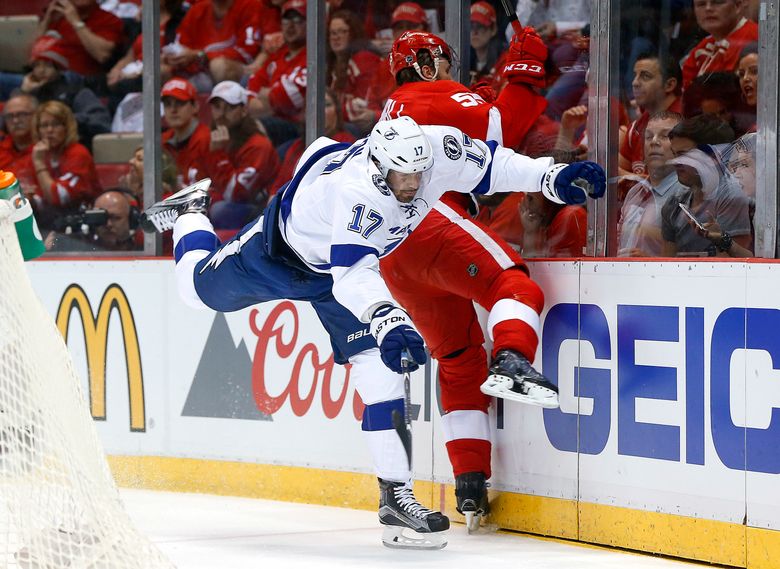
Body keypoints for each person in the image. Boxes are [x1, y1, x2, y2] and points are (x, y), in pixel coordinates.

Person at [138, 116, 604, 549]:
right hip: (281, 257)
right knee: (195, 291)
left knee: (381, 375)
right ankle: (191, 213)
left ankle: (396, 500)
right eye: (402, 178)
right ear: (379, 167)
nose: (413, 186)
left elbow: (492, 165)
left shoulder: (432, 149)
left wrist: (549, 178)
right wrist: (390, 319)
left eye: (420, 175)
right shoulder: (359, 191)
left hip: (338, 267)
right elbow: (353, 274)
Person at [379, 30, 600, 526]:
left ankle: (471, 484)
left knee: (458, 359)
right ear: (416, 63)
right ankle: (515, 359)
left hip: (393, 253)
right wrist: (525, 66)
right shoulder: (420, 94)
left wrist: (481, 95)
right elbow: (502, 128)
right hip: (430, 222)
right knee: (515, 285)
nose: (444, 66)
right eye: (435, 58)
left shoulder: (399, 107)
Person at [205, 81, 279, 229]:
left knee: (220, 210)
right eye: (217, 107)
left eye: (230, 107)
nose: (221, 114)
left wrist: (219, 154)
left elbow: (236, 195)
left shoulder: (258, 145)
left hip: (262, 210)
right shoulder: (212, 137)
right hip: (234, 203)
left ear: (244, 110)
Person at [16, 100, 100, 230]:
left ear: (67, 127)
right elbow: (40, 199)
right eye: (44, 126)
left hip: (81, 224)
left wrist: (39, 164)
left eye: (56, 124)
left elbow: (59, 198)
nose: (49, 130)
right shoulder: (38, 153)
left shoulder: (78, 153)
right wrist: (30, 199)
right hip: (49, 224)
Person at [19, 37, 111, 148]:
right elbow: (8, 123)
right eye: (37, 65)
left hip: (71, 148)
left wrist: (64, 120)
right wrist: (23, 93)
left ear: (59, 68)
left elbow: (100, 121)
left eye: (47, 65)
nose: (41, 70)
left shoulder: (75, 90)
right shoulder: (27, 92)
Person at [617, 111, 685, 257]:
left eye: (665, 135)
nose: (654, 141)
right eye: (648, 136)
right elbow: (618, 243)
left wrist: (651, 262)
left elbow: (697, 258)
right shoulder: (634, 192)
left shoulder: (687, 196)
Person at [246, 0, 308, 146]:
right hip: (274, 120)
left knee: (254, 126)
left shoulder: (312, 56)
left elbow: (286, 101)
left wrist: (267, 95)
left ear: (310, 24)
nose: (291, 26)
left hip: (297, 127)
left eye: (298, 20)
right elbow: (251, 89)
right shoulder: (278, 55)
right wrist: (270, 97)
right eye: (286, 20)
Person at [164, 0, 262, 88]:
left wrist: (200, 55)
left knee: (218, 66)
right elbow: (181, 46)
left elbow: (247, 53)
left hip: (241, 72)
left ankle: (226, 106)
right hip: (198, 71)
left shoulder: (249, 5)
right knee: (159, 70)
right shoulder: (198, 9)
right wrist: (175, 58)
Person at [619, 52, 683, 177]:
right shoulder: (636, 128)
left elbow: (668, 185)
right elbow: (615, 170)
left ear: (669, 85)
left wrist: (625, 176)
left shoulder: (687, 125)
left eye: (645, 76)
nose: (634, 83)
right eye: (635, 75)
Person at [327, 9, 383, 134]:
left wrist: (331, 113)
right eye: (332, 33)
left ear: (353, 34)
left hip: (370, 129)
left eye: (343, 31)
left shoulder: (364, 58)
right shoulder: (331, 66)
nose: (336, 37)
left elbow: (362, 108)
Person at [34, 0, 124, 78]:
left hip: (80, 79)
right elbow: (33, 54)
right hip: (46, 74)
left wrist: (76, 22)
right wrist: (47, 20)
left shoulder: (109, 20)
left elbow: (102, 56)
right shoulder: (59, 17)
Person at [681, 0, 758, 89]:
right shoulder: (704, 45)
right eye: (701, 4)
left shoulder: (755, 38)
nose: (708, 8)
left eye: (717, 2)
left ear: (738, 6)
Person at [161, 78, 211, 189]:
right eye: (168, 104)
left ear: (195, 107)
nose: (173, 110)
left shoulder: (207, 139)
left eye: (180, 103)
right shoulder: (162, 141)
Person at [519, 192, 586, 257]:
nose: (525, 204)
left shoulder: (570, 216)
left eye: (530, 198)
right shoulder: (543, 223)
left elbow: (541, 266)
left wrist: (530, 234)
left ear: (548, 196)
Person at [469, 1, 506, 85]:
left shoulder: (504, 62)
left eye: (480, 26)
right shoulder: (462, 63)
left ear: (493, 29)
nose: (474, 32)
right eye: (471, 26)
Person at [0, 93, 38, 172]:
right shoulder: (2, 149)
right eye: (10, 116)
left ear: (37, 115)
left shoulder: (50, 150)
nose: (15, 121)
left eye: (22, 114)